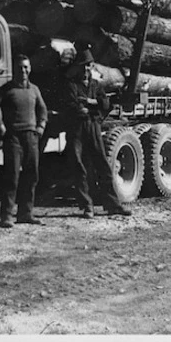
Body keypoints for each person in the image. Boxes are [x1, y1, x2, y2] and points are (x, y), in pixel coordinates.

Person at [63, 49, 133, 218]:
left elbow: (106, 103)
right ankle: (87, 206)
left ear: (92, 67)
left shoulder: (96, 85)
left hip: (93, 126)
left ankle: (113, 205)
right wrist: (90, 107)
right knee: (79, 166)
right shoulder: (71, 85)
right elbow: (72, 105)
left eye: (89, 66)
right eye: (83, 66)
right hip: (77, 128)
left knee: (102, 164)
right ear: (78, 67)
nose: (86, 69)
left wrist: (90, 102)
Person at [0, 54, 48, 228]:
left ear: (30, 69)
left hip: (31, 137)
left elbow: (42, 109)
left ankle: (26, 214)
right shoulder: (7, 89)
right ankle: (6, 216)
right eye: (20, 67)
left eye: (26, 67)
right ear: (15, 69)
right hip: (13, 137)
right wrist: (1, 126)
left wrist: (41, 127)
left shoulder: (35, 90)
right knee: (12, 176)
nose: (23, 71)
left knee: (32, 175)